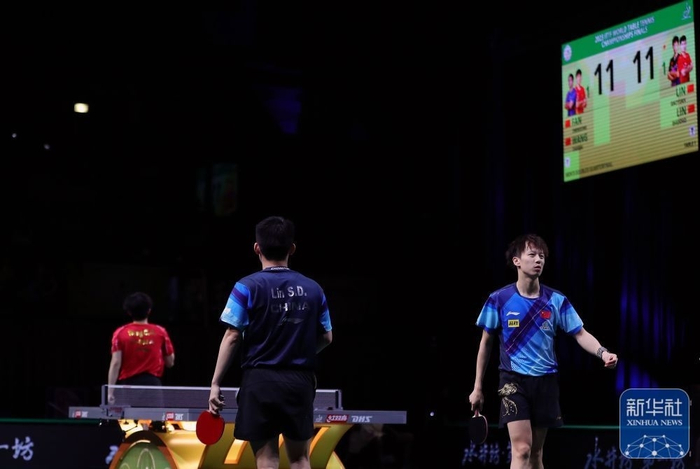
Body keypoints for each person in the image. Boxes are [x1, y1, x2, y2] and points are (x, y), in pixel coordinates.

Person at [468, 234, 618, 469]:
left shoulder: (556, 300)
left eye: (542, 256)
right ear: (517, 261)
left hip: (546, 381)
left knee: (536, 454)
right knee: (522, 449)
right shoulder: (499, 299)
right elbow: (485, 344)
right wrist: (477, 387)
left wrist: (602, 352)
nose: (538, 260)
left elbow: (580, 333)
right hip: (513, 380)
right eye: (532, 255)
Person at [208, 215, 333, 469]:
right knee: (300, 459)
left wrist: (215, 383)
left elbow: (232, 336)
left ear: (257, 248)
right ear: (292, 248)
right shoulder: (314, 289)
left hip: (260, 380)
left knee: (266, 459)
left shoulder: (246, 287)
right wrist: (299, 353)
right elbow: (327, 337)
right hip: (299, 381)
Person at [107, 292, 175, 405]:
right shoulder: (160, 332)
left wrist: (110, 392)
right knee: (154, 417)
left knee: (129, 417)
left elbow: (116, 363)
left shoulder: (120, 333)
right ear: (149, 310)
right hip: (153, 386)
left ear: (129, 312)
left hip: (128, 387)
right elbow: (170, 362)